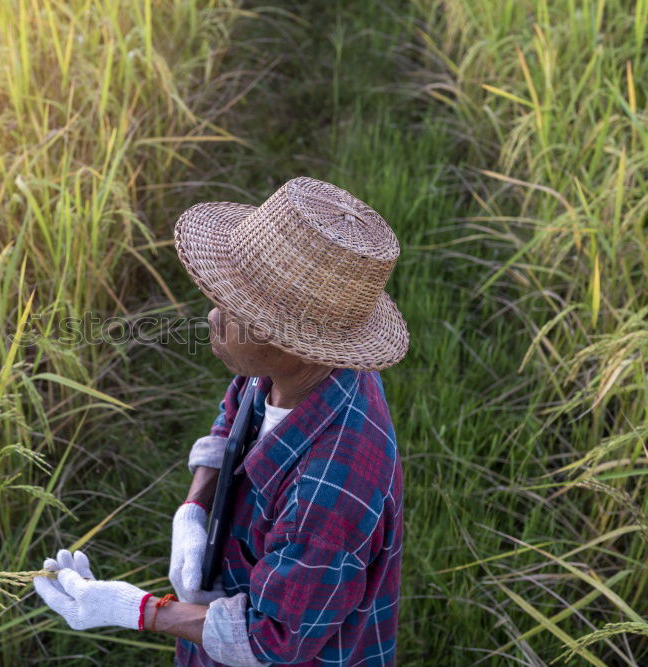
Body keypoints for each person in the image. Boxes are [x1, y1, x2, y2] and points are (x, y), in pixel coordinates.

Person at [33, 176, 409, 665]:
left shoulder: (331, 490)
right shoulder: (298, 371)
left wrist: (137, 609)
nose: (211, 318)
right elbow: (235, 413)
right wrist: (193, 510)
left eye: (233, 310)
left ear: (294, 343)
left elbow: (274, 638)